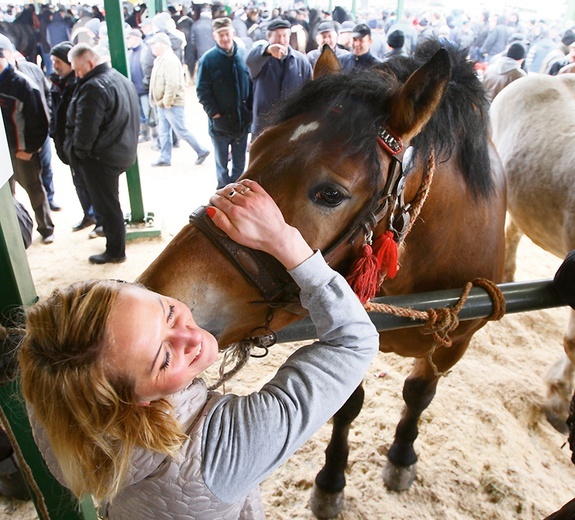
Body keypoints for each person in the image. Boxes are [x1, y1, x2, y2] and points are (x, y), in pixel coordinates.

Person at [19, 179, 380, 519]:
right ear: (133, 401)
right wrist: (284, 240)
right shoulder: (220, 455)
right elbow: (354, 340)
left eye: (170, 312)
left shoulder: (55, 400)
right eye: (163, 359)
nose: (194, 338)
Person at [65, 43, 139, 264]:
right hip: (121, 150)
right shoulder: (118, 77)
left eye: (78, 70)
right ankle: (115, 247)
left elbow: (85, 130)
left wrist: (78, 154)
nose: (76, 75)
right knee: (111, 203)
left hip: (101, 158)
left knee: (107, 206)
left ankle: (115, 251)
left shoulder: (93, 88)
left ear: (90, 63)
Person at [0, 35, 53, 244]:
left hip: (21, 150)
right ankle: (15, 234)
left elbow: (41, 122)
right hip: (3, 151)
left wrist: (30, 149)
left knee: (34, 190)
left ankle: (46, 228)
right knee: (7, 194)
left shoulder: (23, 85)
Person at [196, 17, 252, 189]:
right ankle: (222, 191)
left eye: (227, 34)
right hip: (219, 123)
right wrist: (215, 114)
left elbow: (251, 84)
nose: (225, 38)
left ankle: (235, 192)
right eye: (221, 35)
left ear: (233, 33)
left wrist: (249, 111)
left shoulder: (244, 54)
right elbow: (202, 90)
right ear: (215, 36)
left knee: (240, 163)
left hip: (241, 122)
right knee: (221, 165)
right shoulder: (208, 60)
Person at [49, 40, 98, 232]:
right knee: (79, 184)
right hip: (67, 145)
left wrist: (78, 146)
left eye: (57, 61)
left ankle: (99, 220)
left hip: (79, 146)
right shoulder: (57, 83)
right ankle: (89, 215)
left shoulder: (81, 85)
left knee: (91, 185)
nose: (54, 65)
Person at [148, 31, 210, 167]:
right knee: (164, 132)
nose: (151, 47)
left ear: (161, 45)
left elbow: (172, 83)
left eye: (154, 44)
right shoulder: (161, 60)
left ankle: (201, 150)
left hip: (171, 104)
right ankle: (165, 157)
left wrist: (167, 101)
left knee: (181, 130)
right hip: (163, 103)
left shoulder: (169, 60)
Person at [246, 18, 312, 138]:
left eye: (284, 36)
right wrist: (267, 51)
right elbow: (249, 60)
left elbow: (309, 92)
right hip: (264, 125)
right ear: (268, 37)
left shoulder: (301, 61)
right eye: (277, 36)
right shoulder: (260, 59)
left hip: (290, 125)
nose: (281, 40)